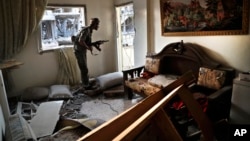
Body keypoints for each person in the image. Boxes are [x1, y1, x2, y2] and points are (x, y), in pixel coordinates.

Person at [74, 18, 100, 90]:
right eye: (97, 24)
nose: (98, 26)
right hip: (79, 51)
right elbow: (81, 41)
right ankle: (86, 85)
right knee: (84, 68)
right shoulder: (86, 30)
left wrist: (90, 46)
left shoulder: (89, 30)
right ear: (94, 24)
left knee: (84, 68)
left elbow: (86, 42)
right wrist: (88, 47)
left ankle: (86, 83)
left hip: (81, 51)